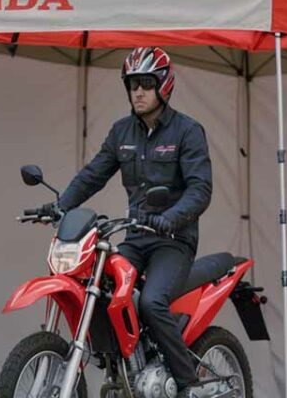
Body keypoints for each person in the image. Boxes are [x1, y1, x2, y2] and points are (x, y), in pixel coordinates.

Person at [43, 46, 213, 397]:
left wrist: (171, 218)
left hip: (173, 240)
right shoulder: (122, 132)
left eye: (146, 83)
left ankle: (188, 383)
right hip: (135, 237)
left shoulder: (187, 132)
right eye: (133, 83)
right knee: (102, 288)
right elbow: (93, 175)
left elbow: (200, 190)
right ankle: (127, 364)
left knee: (151, 302)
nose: (138, 91)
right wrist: (59, 205)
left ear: (163, 85)